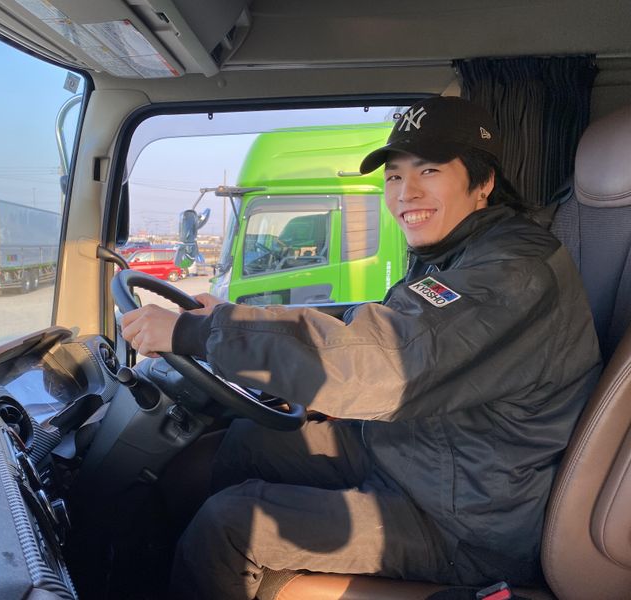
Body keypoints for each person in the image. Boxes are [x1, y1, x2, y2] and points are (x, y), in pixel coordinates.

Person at [120, 97, 602, 600]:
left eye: (429, 171)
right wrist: (227, 317)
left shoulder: (509, 273)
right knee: (243, 443)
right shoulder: (457, 250)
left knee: (230, 524)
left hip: (463, 521)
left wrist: (196, 333)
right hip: (418, 452)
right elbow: (373, 324)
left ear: (483, 182)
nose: (406, 192)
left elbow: (381, 360)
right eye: (394, 176)